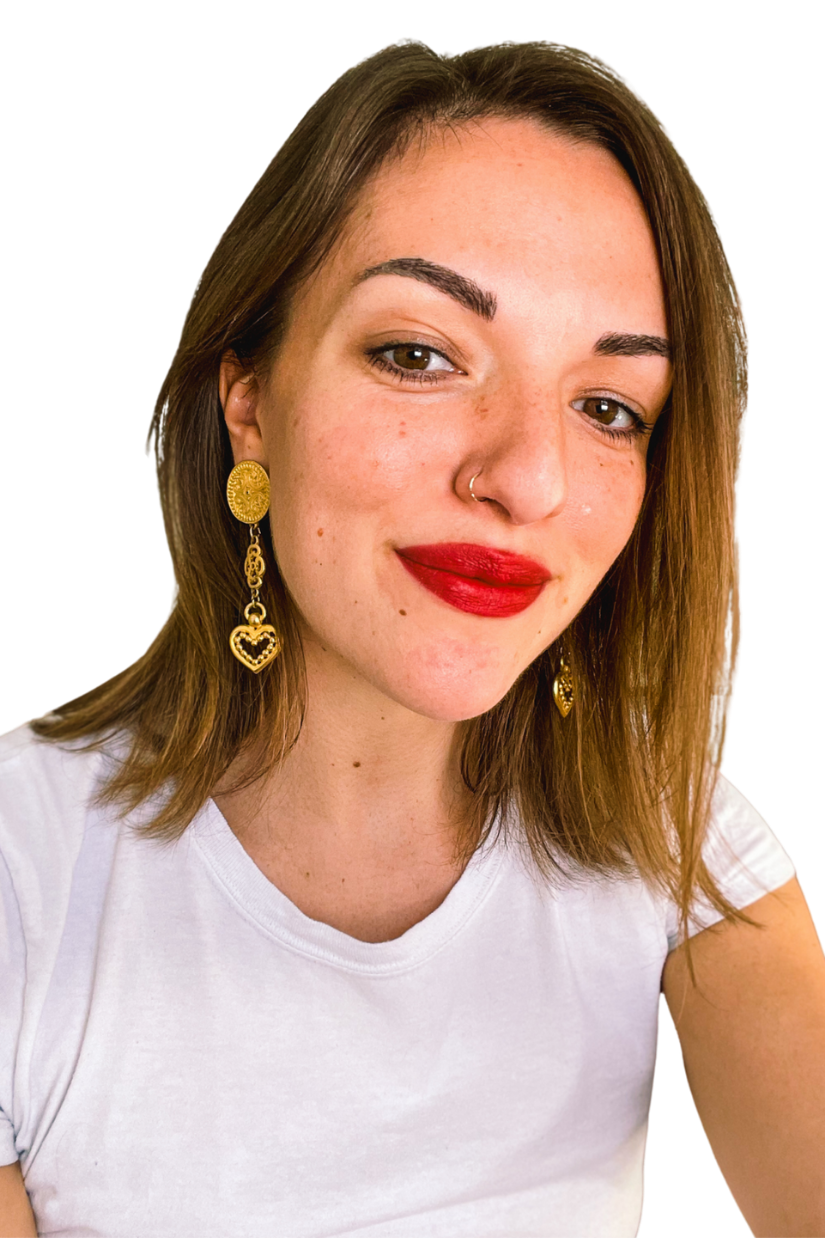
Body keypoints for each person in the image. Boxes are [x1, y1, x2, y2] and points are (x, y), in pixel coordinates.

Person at [1, 39, 822, 1238]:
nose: (530, 478)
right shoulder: (20, 862)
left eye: (608, 407)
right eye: (418, 354)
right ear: (248, 400)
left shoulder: (673, 838)